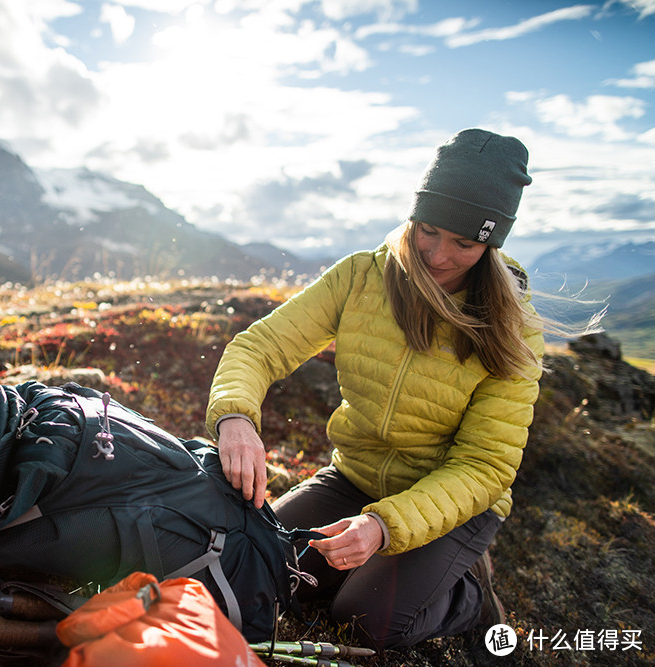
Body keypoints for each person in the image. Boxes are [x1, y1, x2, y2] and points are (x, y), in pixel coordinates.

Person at [205, 128, 544, 650]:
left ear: (492, 242)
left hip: (453, 504)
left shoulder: (510, 323)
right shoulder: (362, 277)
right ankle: (388, 567)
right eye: (428, 229)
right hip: (353, 479)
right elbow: (261, 347)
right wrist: (235, 417)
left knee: (363, 619)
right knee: (258, 566)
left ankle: (468, 593)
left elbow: (485, 466)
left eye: (465, 243)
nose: (436, 255)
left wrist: (384, 528)